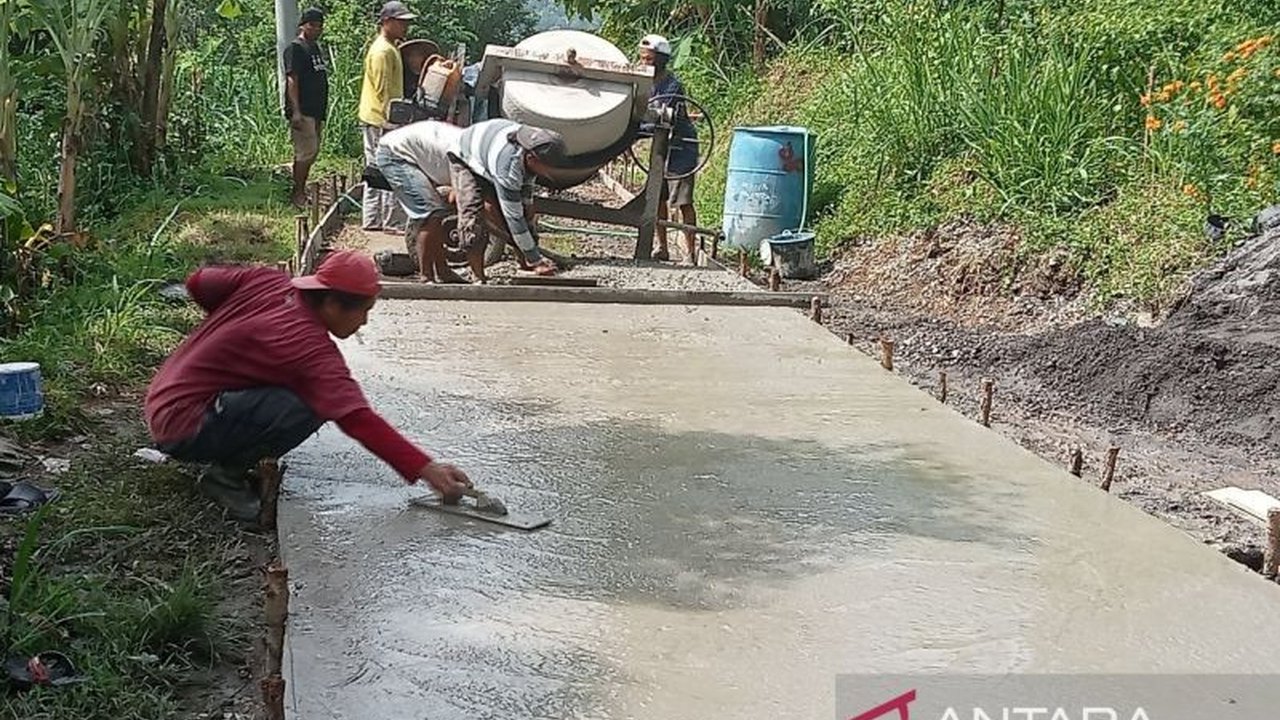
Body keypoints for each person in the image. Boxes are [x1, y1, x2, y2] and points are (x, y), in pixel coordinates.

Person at [143, 251, 472, 523]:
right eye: (363, 312)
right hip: (184, 425)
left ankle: (227, 452)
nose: (365, 323)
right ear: (331, 304)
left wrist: (233, 332)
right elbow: (356, 417)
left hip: (167, 397)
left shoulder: (268, 281)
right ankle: (224, 476)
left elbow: (199, 282)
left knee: (295, 392)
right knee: (308, 404)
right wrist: (427, 469)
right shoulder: (308, 347)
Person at [449, 118, 562, 281]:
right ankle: (477, 277)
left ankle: (526, 262)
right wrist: (537, 260)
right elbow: (514, 218)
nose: (551, 172)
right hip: (465, 155)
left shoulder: (535, 146)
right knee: (473, 216)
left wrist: (528, 210)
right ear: (531, 159)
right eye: (549, 168)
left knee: (525, 213)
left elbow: (526, 191)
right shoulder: (509, 168)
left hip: (490, 152)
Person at [374, 120, 468, 284]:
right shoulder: (468, 161)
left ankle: (442, 270)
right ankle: (426, 276)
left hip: (412, 149)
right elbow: (455, 198)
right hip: (396, 155)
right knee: (430, 215)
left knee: (436, 213)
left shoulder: (472, 151)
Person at [638, 34, 700, 265]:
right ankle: (661, 247)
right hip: (660, 148)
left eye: (649, 60)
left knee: (683, 201)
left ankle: (690, 253)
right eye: (643, 59)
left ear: (661, 60)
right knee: (657, 199)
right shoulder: (646, 84)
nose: (645, 63)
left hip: (681, 148)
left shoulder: (672, 86)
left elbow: (658, 119)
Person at [358, 1, 415, 234]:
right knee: (389, 167)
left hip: (376, 117)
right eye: (401, 22)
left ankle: (372, 219)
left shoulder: (389, 47)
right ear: (386, 22)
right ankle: (392, 221)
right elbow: (382, 90)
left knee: (374, 168)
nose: (405, 27)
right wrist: (389, 123)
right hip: (380, 118)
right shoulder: (383, 51)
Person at [283, 7, 329, 208]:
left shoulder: (314, 48)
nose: (316, 29)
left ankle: (302, 188)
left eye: (319, 26)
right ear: (303, 25)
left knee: (313, 151)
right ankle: (297, 192)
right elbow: (292, 80)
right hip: (304, 110)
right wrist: (296, 111)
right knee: (305, 152)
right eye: (312, 25)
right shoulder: (296, 48)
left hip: (316, 109)